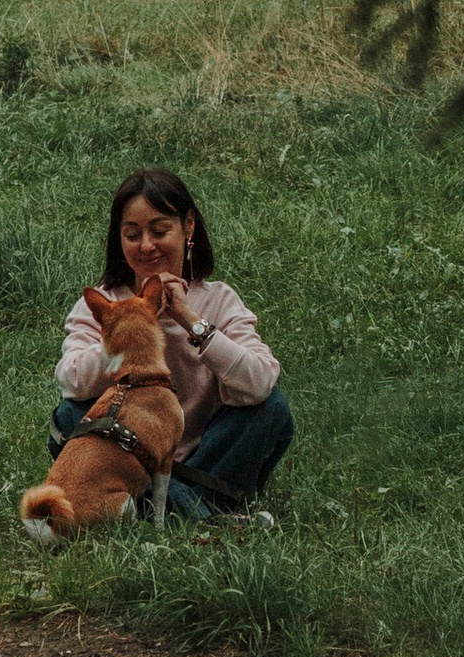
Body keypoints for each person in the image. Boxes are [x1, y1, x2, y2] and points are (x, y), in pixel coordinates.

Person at [49, 165, 292, 523]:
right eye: (132, 235)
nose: (146, 246)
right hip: (128, 461)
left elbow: (260, 381)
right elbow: (71, 381)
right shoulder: (105, 305)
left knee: (272, 408)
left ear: (188, 227)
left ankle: (173, 506)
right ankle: (202, 517)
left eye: (159, 230)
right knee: (73, 413)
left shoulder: (219, 300)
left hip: (204, 460)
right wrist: (130, 328)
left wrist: (191, 321)